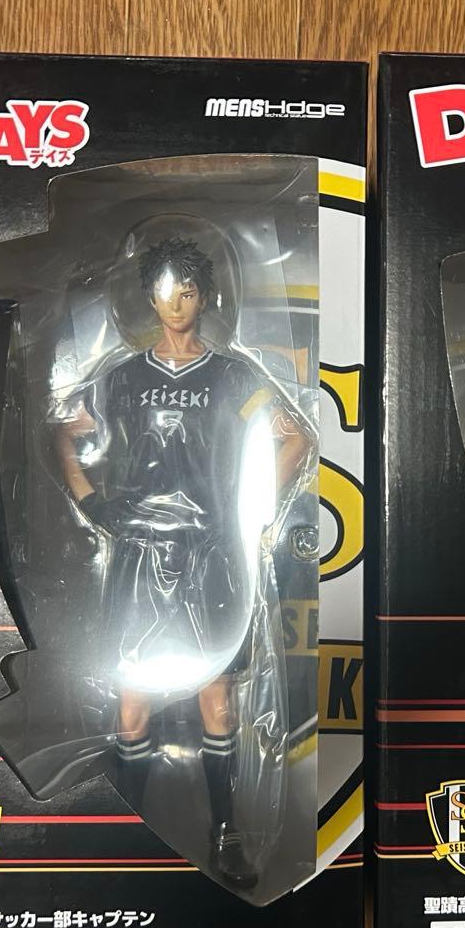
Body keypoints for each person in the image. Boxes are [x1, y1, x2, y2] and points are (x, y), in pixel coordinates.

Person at [54, 236, 309, 886]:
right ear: (149, 298)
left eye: (188, 291)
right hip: (139, 557)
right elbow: (68, 432)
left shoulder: (233, 376)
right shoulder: (121, 377)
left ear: (204, 297)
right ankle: (128, 834)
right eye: (166, 292)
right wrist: (93, 503)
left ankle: (226, 834)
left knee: (217, 702)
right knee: (132, 704)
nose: (177, 303)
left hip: (209, 558)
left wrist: (250, 510)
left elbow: (294, 438)